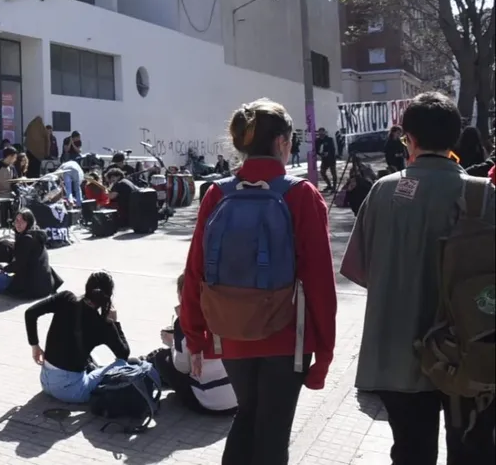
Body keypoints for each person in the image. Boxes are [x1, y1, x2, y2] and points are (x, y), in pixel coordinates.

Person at [341, 92, 496, 464]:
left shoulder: (382, 191)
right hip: (468, 352)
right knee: (471, 452)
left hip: (397, 355)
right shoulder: (484, 195)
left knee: (410, 452)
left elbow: (361, 271)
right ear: (455, 139)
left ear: (407, 138)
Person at [181, 98, 337, 465]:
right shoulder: (301, 195)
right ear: (282, 142)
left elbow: (195, 271)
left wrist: (195, 335)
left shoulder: (217, 193)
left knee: (247, 415)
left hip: (230, 331)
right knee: (273, 432)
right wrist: (325, 352)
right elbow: (320, 284)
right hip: (288, 337)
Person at [24, 271, 129, 404]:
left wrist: (35, 345)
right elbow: (123, 354)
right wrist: (115, 323)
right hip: (73, 392)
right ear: (107, 296)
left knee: (89, 356)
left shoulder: (65, 298)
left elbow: (30, 313)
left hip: (45, 382)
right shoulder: (103, 324)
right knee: (123, 364)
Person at [155, 273, 236, 415]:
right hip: (238, 399)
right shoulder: (228, 313)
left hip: (208, 404)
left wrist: (172, 343)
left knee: (161, 357)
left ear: (182, 295)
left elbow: (182, 367)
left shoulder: (185, 323)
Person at [0, 209, 63, 299]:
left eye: (23, 221)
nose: (18, 224)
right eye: (17, 220)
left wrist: (3, 268)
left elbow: (19, 264)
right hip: (46, 284)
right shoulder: (36, 233)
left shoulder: (26, 238)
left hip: (34, 288)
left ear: (29, 222)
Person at [316, 127, 338, 193]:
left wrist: (328, 153)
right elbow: (316, 150)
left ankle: (334, 188)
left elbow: (333, 149)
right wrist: (320, 154)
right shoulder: (317, 141)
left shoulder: (329, 139)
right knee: (322, 172)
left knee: (333, 173)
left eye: (322, 133)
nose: (321, 134)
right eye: (320, 133)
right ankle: (329, 185)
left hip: (331, 159)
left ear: (325, 133)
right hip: (324, 160)